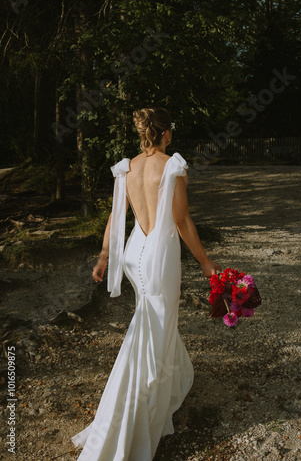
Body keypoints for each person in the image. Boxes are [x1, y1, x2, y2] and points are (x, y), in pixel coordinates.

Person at [71, 107, 221, 461]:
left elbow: (115, 214)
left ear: (143, 134)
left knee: (151, 321)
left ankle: (174, 379)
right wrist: (205, 262)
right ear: (167, 133)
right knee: (154, 323)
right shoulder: (173, 165)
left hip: (134, 251)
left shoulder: (128, 167)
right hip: (159, 255)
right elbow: (181, 220)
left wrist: (105, 254)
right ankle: (137, 413)